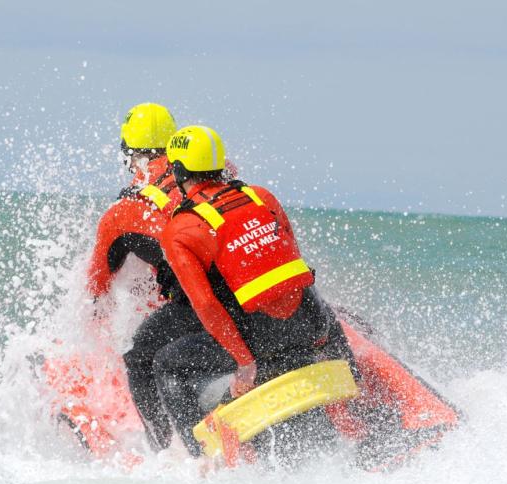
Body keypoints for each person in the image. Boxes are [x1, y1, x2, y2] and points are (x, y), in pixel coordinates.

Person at [155, 125, 358, 456]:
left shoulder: (181, 229)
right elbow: (294, 266)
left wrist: (244, 361)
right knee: (322, 311)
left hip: (260, 343)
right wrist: (320, 339)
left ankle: (200, 458)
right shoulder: (262, 197)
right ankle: (355, 404)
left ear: (178, 172)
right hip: (312, 325)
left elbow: (205, 305)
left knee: (166, 364)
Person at [84, 103, 204, 450]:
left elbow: (97, 286)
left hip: (205, 308)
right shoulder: (219, 172)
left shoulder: (123, 214)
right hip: (256, 292)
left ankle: (164, 447)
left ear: (129, 157)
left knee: (139, 356)